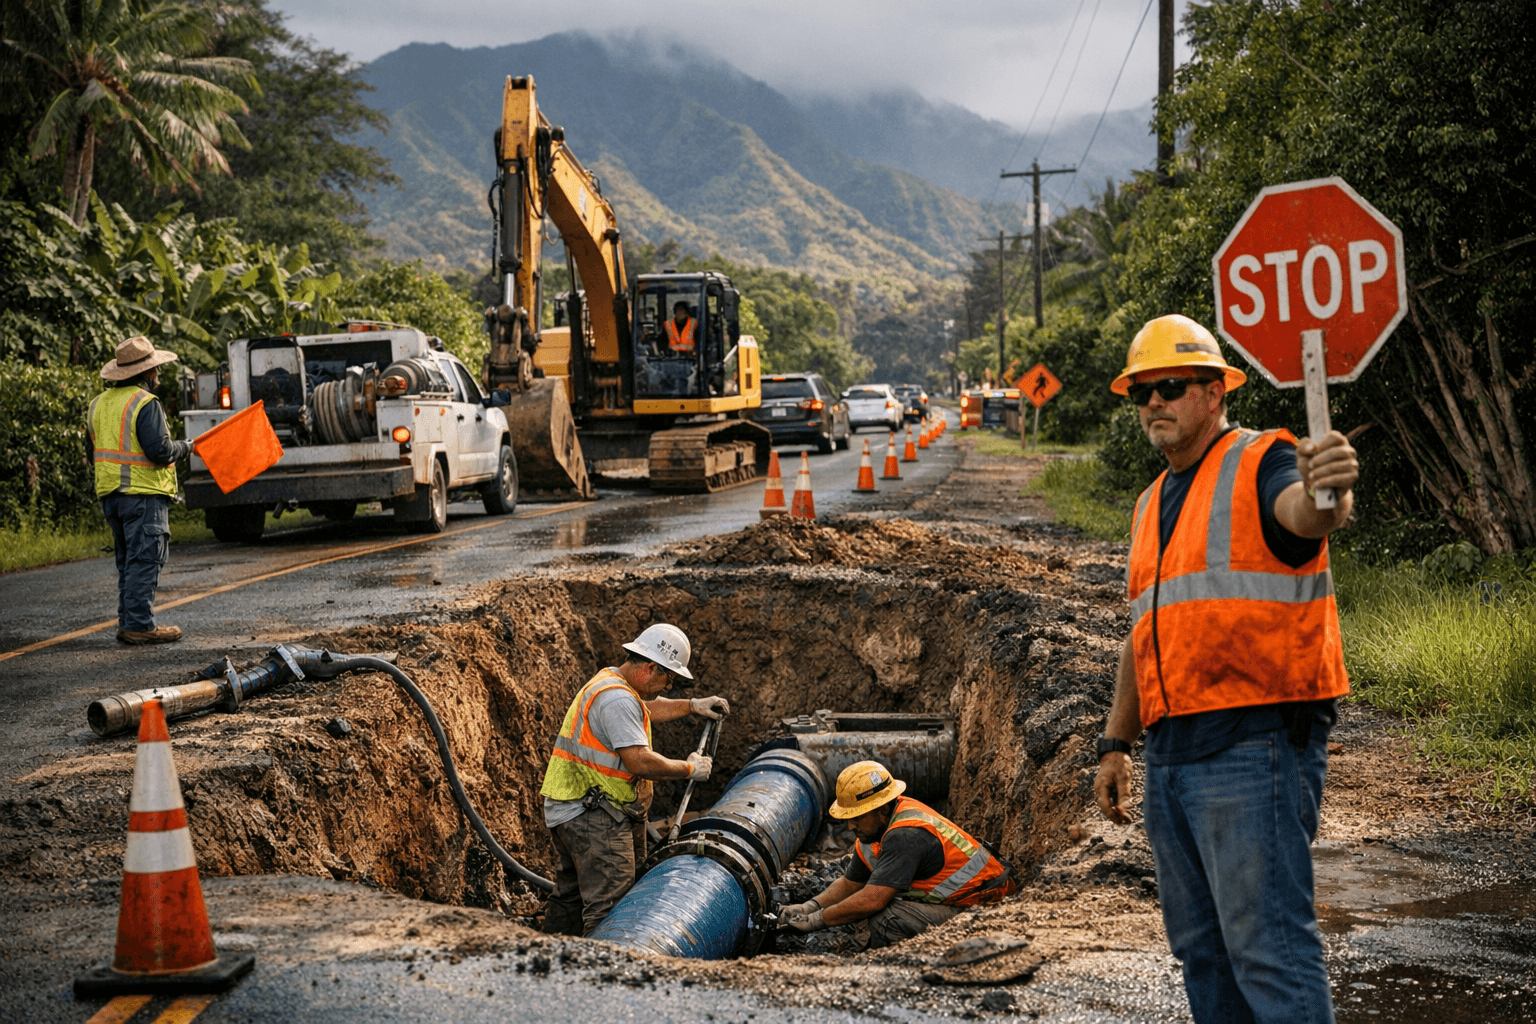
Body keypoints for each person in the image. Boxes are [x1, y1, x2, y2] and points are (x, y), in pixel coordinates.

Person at [1092, 314, 1358, 1024]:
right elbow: (1143, 632)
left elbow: (1303, 513)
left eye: (1171, 386)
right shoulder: (1151, 503)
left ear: (1214, 392)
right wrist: (1116, 744)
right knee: (1202, 953)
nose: (1155, 402)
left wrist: (1326, 491)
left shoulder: (1260, 460)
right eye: (1142, 391)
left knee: (1267, 950)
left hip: (1255, 744)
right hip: (1172, 757)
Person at [539, 623, 730, 935]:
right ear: (651, 667)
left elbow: (646, 710)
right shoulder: (617, 699)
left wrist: (693, 706)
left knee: (572, 899)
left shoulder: (611, 682)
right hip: (594, 816)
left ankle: (547, 958)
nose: (668, 686)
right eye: (668, 677)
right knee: (611, 910)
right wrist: (688, 768)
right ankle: (601, 972)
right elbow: (639, 761)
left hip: (575, 808)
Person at [780, 760, 1015, 949]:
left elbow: (872, 900)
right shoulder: (874, 831)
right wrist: (808, 907)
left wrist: (815, 921)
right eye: (848, 818)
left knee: (887, 920)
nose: (851, 827)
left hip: (985, 907)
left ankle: (896, 974)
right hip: (959, 901)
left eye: (857, 817)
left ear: (881, 808)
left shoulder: (905, 835)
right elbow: (851, 884)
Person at [86, 336, 194, 645]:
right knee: (144, 559)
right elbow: (159, 450)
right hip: (142, 494)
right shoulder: (145, 403)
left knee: (129, 562)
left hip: (110, 494)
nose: (158, 374)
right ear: (146, 373)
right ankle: (139, 624)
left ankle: (129, 621)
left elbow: (90, 450)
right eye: (155, 369)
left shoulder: (98, 404)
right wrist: (186, 447)